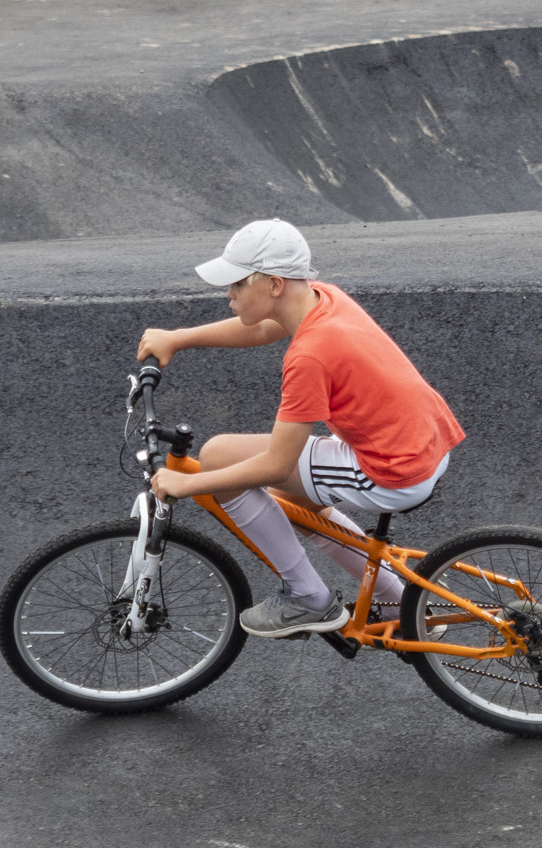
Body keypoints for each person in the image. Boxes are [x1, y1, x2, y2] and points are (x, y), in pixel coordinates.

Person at [136, 219, 466, 639]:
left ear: (274, 284)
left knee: (219, 457)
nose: (229, 294)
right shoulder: (323, 298)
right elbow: (267, 327)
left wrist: (189, 485)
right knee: (297, 500)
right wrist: (178, 338)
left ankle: (307, 597)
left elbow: (276, 464)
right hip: (424, 441)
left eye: (237, 284)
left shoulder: (310, 356)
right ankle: (398, 599)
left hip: (392, 470)